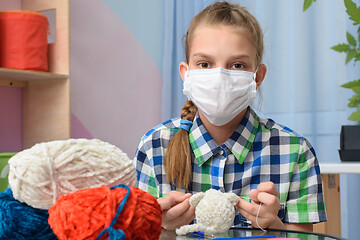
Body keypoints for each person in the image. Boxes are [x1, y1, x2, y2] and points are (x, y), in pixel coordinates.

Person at [134, 1, 326, 232]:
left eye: (237, 65)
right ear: (186, 74)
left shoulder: (295, 152)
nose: (220, 77)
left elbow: (303, 237)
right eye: (204, 64)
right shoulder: (154, 148)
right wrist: (162, 230)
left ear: (258, 76)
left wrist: (273, 225)